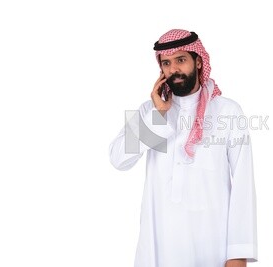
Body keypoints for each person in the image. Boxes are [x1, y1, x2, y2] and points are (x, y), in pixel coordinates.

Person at [109, 29, 258, 267]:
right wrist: (158, 114)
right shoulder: (151, 111)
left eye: (180, 60)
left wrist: (238, 255)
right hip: (160, 251)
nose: (173, 69)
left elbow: (243, 185)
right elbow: (118, 159)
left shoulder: (228, 111)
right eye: (166, 63)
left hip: (213, 248)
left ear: (198, 62)